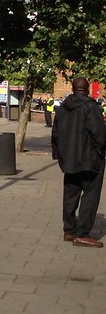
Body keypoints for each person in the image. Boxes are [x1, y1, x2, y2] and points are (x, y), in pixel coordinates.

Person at [51, 77, 106, 247]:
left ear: (73, 88)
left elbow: (55, 134)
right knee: (90, 195)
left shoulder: (62, 108)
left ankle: (69, 230)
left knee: (70, 194)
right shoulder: (91, 107)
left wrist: (58, 155)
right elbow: (99, 135)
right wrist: (100, 153)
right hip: (89, 159)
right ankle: (82, 234)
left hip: (69, 160)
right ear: (87, 89)